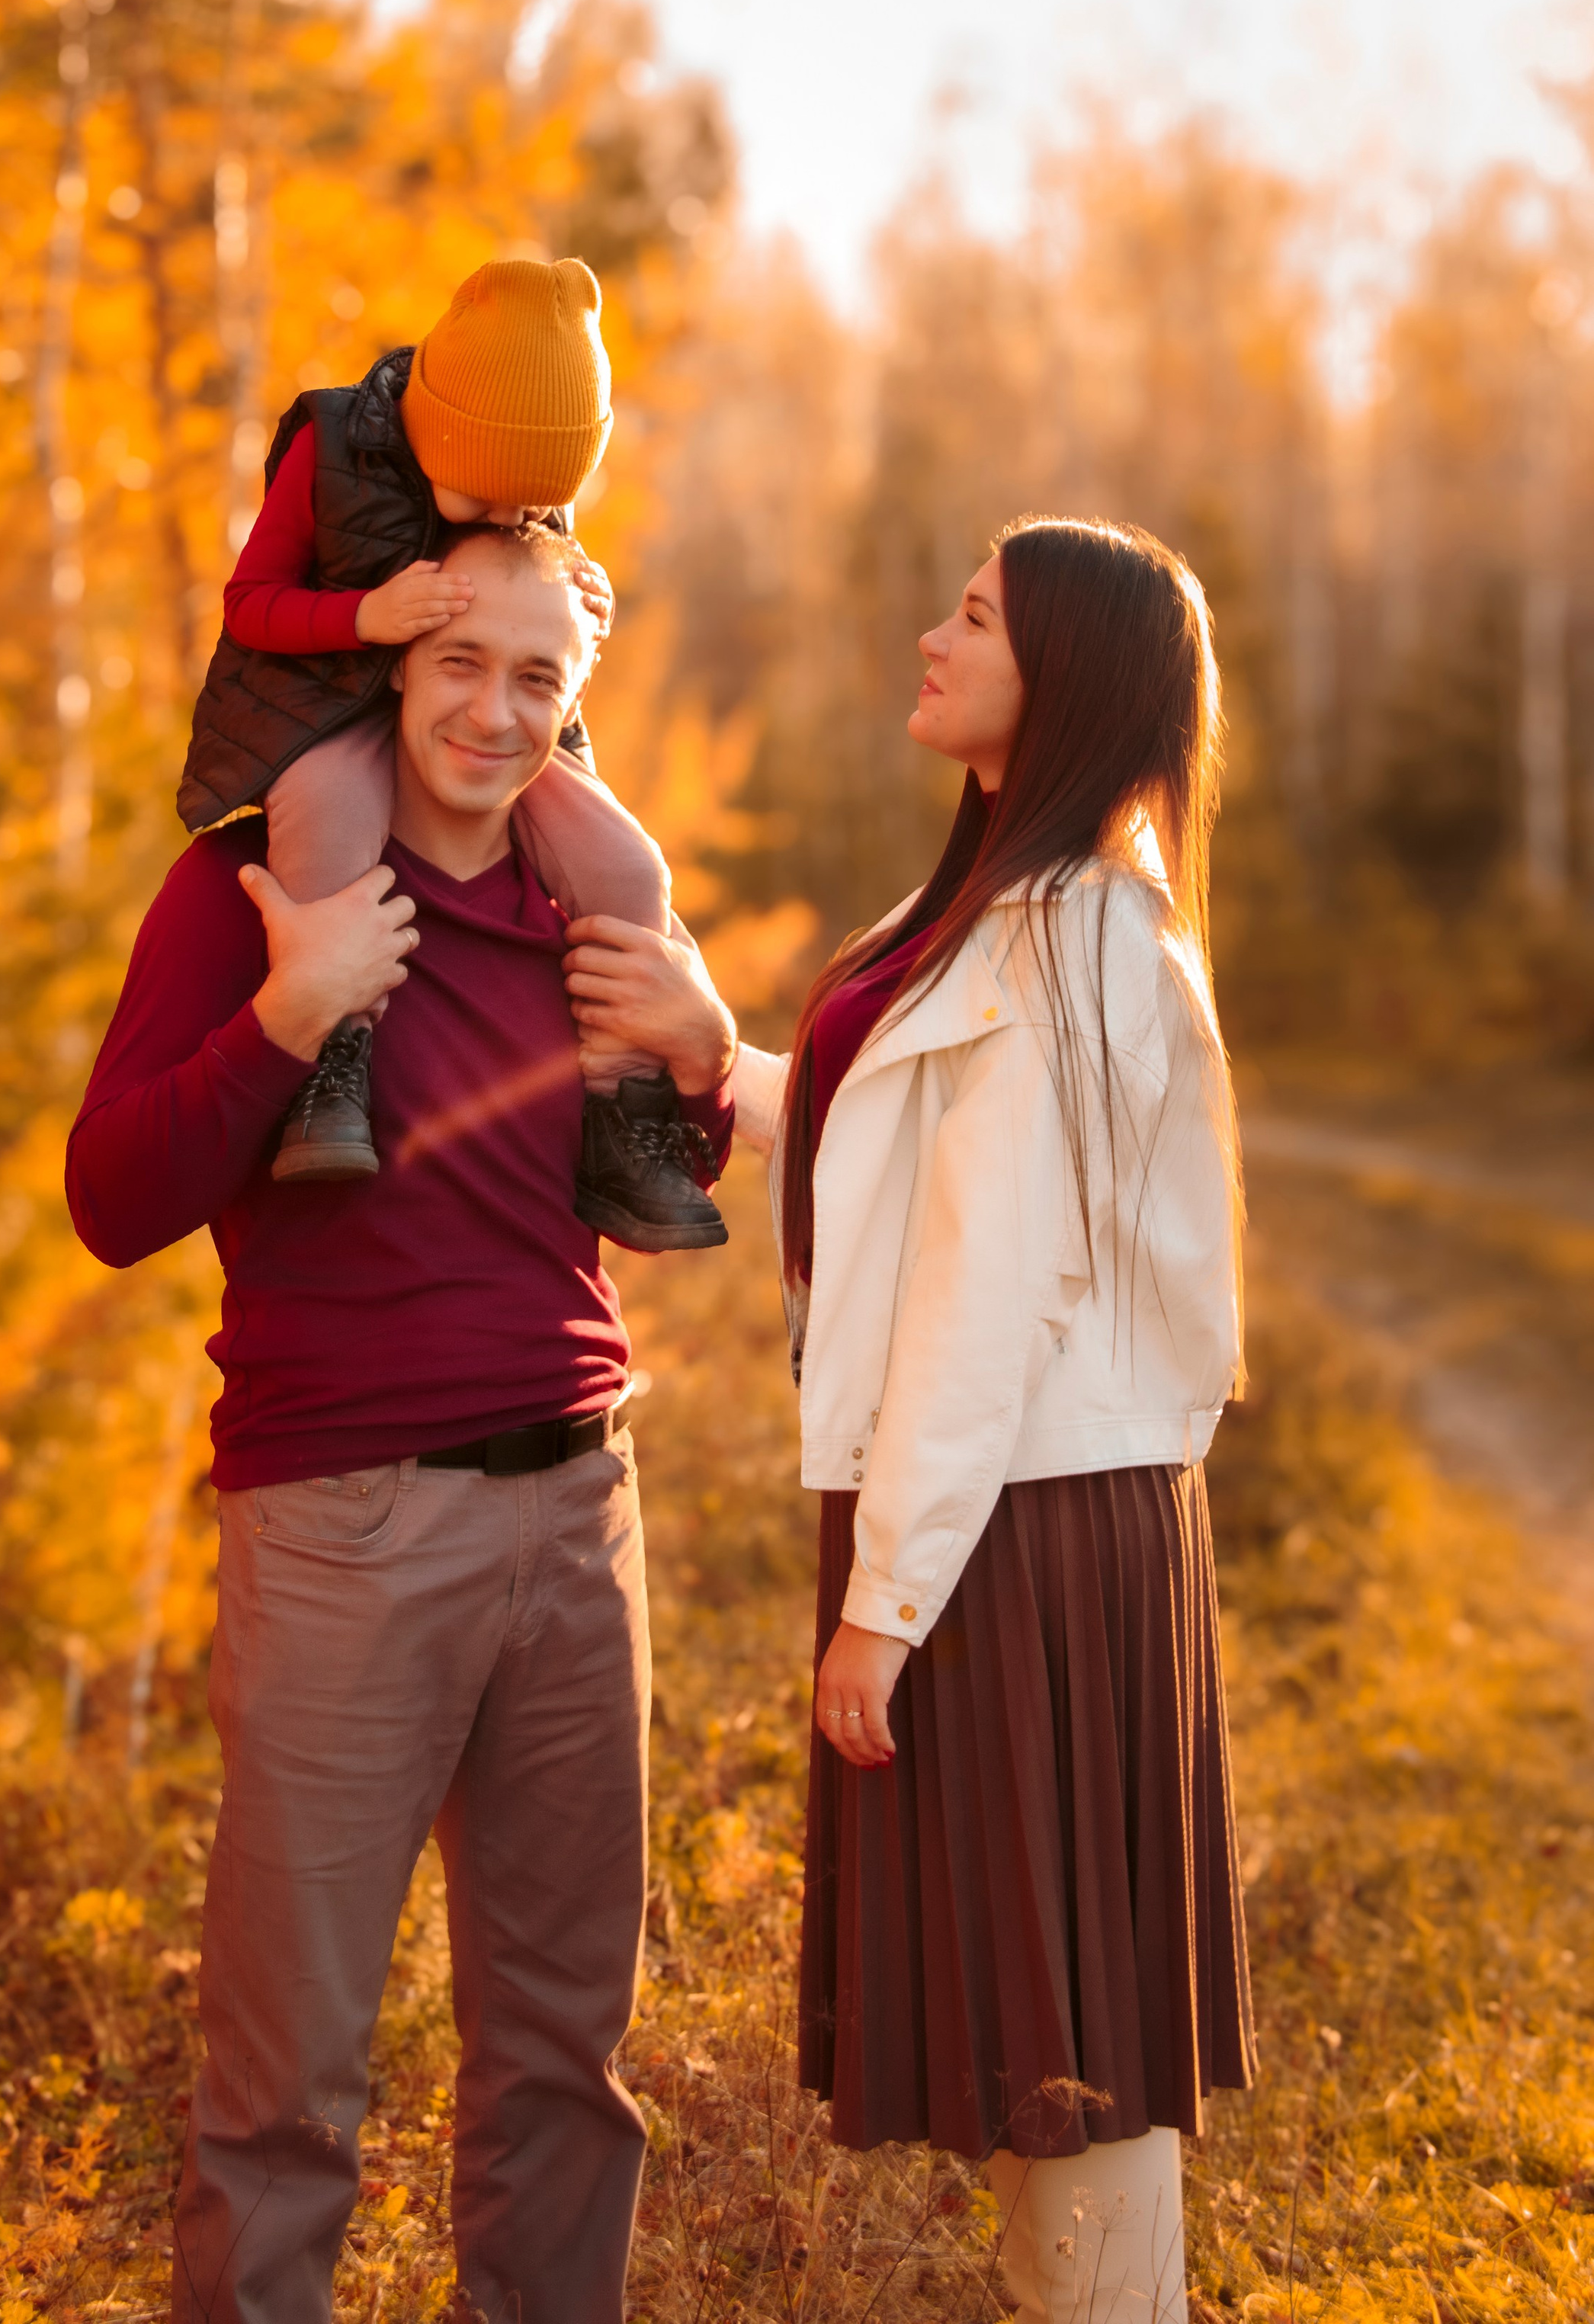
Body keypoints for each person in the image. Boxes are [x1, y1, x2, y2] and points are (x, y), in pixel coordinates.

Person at [569, 514, 1256, 2324]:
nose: (931, 636)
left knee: (1071, 2025)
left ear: (1073, 678)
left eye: (974, 616)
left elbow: (989, 1297)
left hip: (1015, 1517)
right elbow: (921, 1168)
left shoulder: (1075, 936)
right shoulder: (1002, 907)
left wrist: (886, 1603)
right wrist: (723, 1060)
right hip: (994, 1505)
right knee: (1052, 2018)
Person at [68, 520, 739, 2324]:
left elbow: (673, 1177)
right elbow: (112, 1194)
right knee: (285, 2090)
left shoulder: (589, 908)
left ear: (570, 697)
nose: (494, 712)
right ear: (396, 661)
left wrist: (700, 1046)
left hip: (579, 1519)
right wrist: (287, 1019)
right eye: (461, 664)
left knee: (562, 2067)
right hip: (343, 1528)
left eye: (537, 679)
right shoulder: (249, 894)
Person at [176, 249, 726, 1252]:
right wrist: (366, 615)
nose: (512, 524)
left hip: (448, 721)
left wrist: (579, 598)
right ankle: (334, 1065)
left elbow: (535, 590)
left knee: (625, 863)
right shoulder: (333, 450)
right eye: (484, 506)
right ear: (436, 433)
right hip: (324, 700)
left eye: (535, 512)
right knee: (323, 811)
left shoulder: (518, 482)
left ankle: (622, 1105)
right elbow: (249, 606)